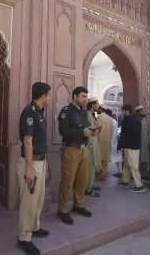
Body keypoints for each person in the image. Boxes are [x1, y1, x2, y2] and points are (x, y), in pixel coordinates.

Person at [17, 82, 51, 255]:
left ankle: (35, 227)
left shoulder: (39, 113)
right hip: (31, 164)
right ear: (43, 96)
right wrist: (30, 169)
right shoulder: (29, 112)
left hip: (40, 162)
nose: (49, 99)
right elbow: (28, 142)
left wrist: (44, 161)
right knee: (29, 202)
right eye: (49, 96)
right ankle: (24, 238)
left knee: (38, 199)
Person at [57, 87, 96, 225]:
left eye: (86, 96)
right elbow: (63, 130)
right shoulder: (66, 111)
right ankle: (63, 210)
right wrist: (82, 133)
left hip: (84, 149)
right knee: (68, 181)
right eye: (83, 96)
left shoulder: (84, 112)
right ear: (75, 96)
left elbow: (84, 128)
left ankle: (78, 205)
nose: (85, 99)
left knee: (82, 180)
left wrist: (90, 132)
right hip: (71, 149)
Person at [117, 104, 145, 193]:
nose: (122, 113)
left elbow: (123, 135)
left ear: (127, 111)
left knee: (133, 166)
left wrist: (119, 146)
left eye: (123, 111)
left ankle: (139, 185)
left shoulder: (127, 119)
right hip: (133, 146)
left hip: (130, 147)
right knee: (127, 164)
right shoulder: (137, 119)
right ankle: (125, 181)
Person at [85, 97, 101, 198]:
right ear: (92, 105)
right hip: (90, 143)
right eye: (97, 104)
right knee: (90, 166)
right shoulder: (86, 114)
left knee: (93, 166)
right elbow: (86, 129)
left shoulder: (92, 115)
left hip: (93, 142)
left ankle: (90, 185)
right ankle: (88, 189)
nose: (98, 106)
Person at [95, 104, 113, 180]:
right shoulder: (110, 118)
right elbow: (111, 130)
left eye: (98, 109)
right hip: (108, 141)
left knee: (99, 156)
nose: (97, 110)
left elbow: (97, 129)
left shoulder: (99, 117)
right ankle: (103, 172)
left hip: (100, 140)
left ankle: (99, 172)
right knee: (105, 157)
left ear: (101, 109)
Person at [135, 105, 150, 180]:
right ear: (138, 113)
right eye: (142, 111)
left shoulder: (145, 120)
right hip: (138, 144)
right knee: (138, 159)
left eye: (143, 110)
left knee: (145, 160)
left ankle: (145, 174)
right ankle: (137, 175)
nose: (144, 112)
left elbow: (148, 132)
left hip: (145, 144)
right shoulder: (136, 120)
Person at [106, 109, 122, 177]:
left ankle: (105, 171)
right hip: (114, 141)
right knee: (118, 157)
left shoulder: (108, 121)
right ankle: (120, 171)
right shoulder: (115, 121)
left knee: (105, 157)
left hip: (109, 141)